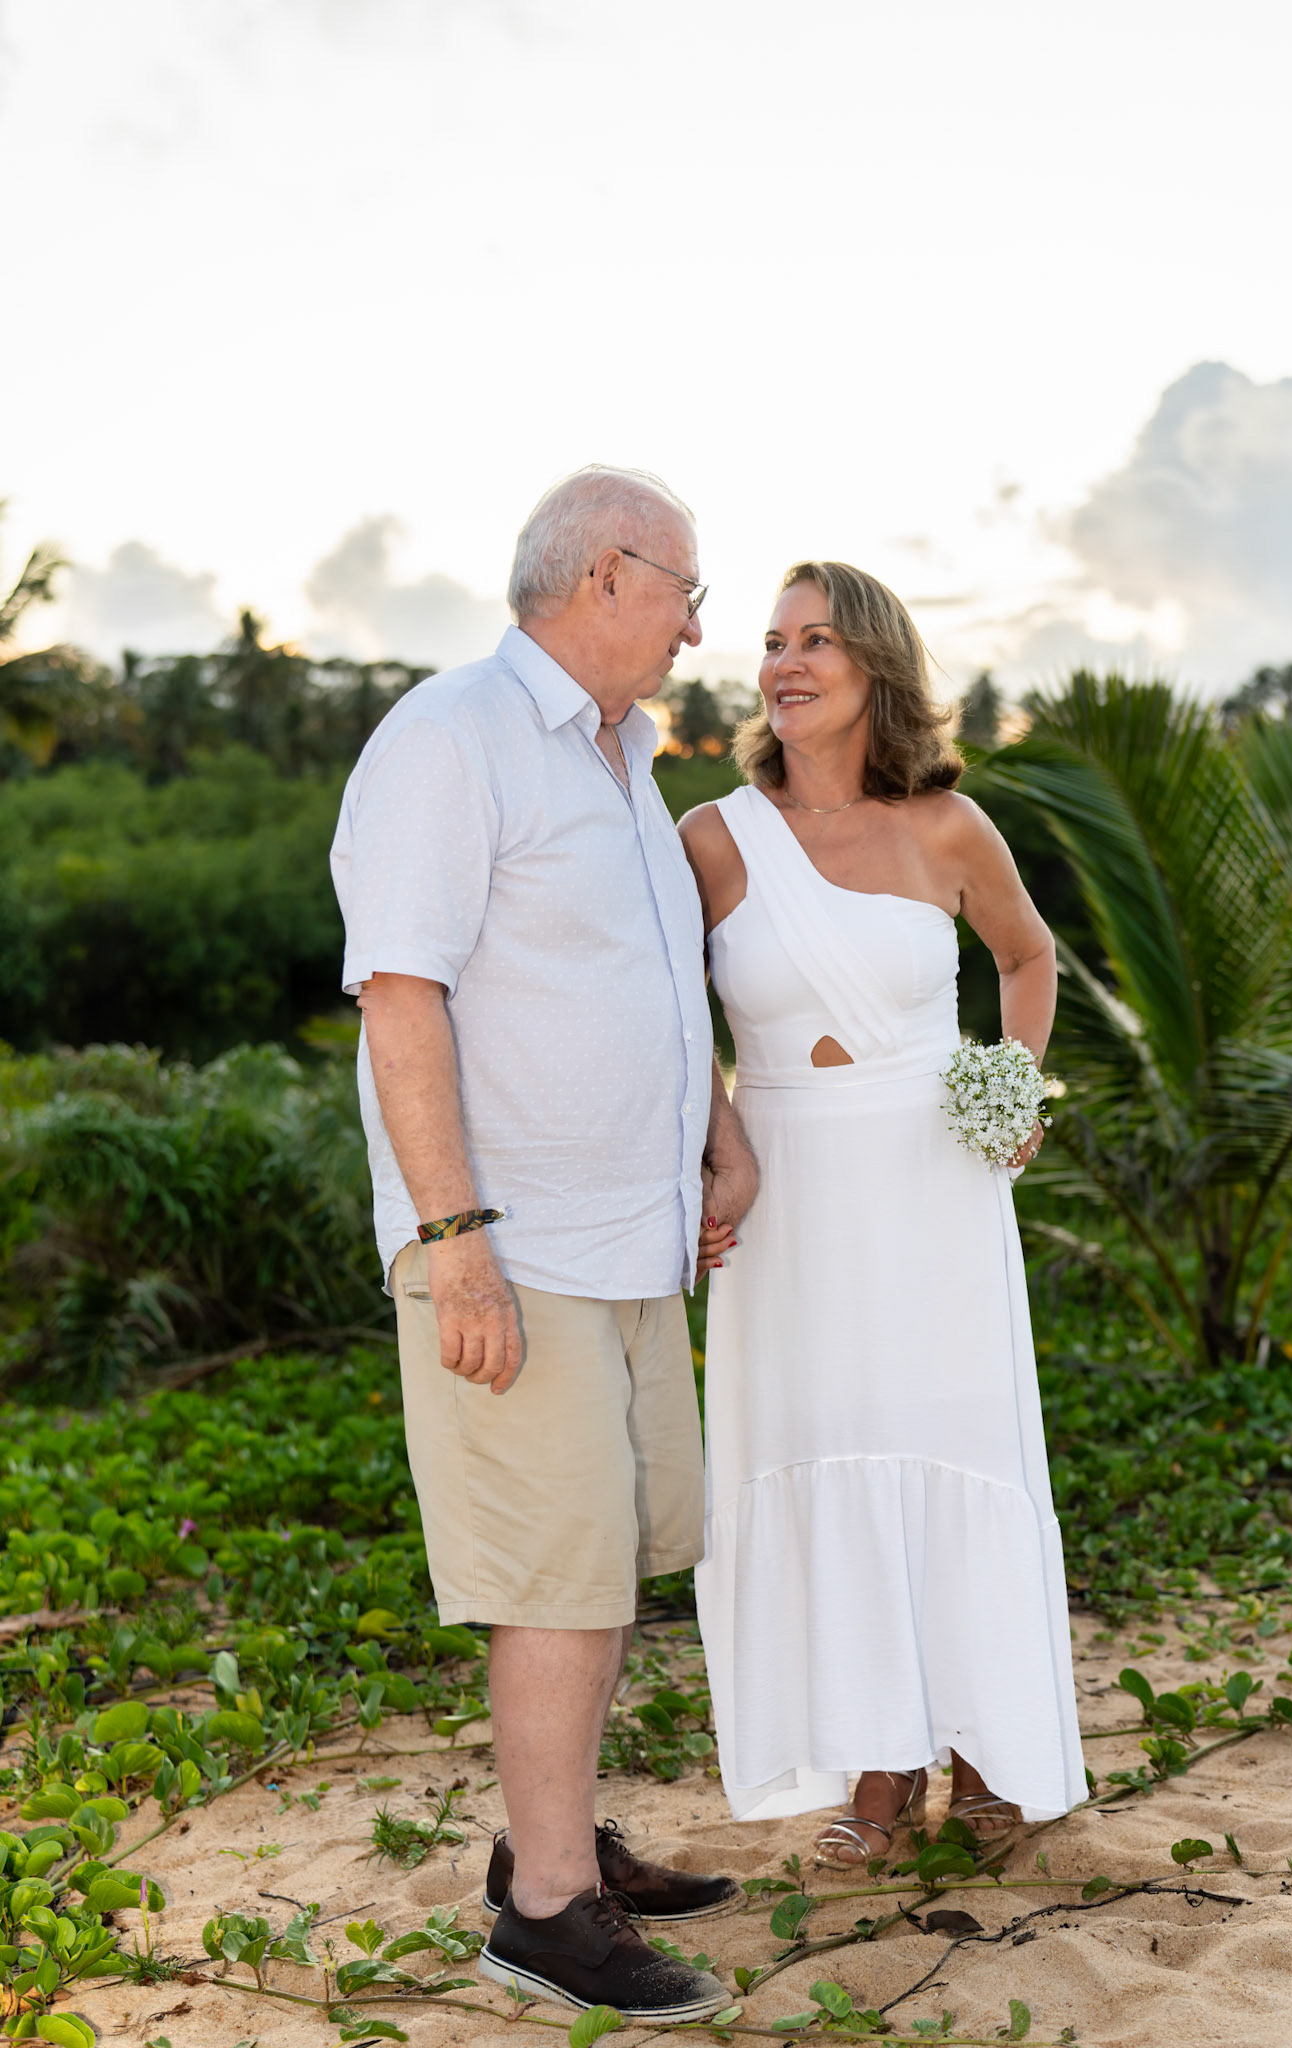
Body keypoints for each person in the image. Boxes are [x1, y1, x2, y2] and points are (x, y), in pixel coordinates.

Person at [330, 466, 758, 2020]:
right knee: (555, 1576)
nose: (698, 625)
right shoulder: (451, 741)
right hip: (516, 1245)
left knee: (609, 1557)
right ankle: (549, 1915)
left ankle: (551, 1841)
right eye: (688, 592)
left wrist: (711, 1125)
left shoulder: (621, 765)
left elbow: (654, 978)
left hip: (628, 1240)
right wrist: (453, 1238)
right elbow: (400, 991)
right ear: (604, 578)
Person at [683, 561, 1086, 1862]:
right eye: (770, 641)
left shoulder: (947, 828)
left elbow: (1028, 958)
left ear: (872, 668)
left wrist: (1010, 1082)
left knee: (945, 1438)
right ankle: (872, 1768)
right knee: (824, 1440)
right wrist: (718, 1132)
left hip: (933, 1183)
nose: (785, 663)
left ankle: (982, 1752)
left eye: (815, 641)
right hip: (788, 1187)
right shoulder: (711, 838)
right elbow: (655, 1011)